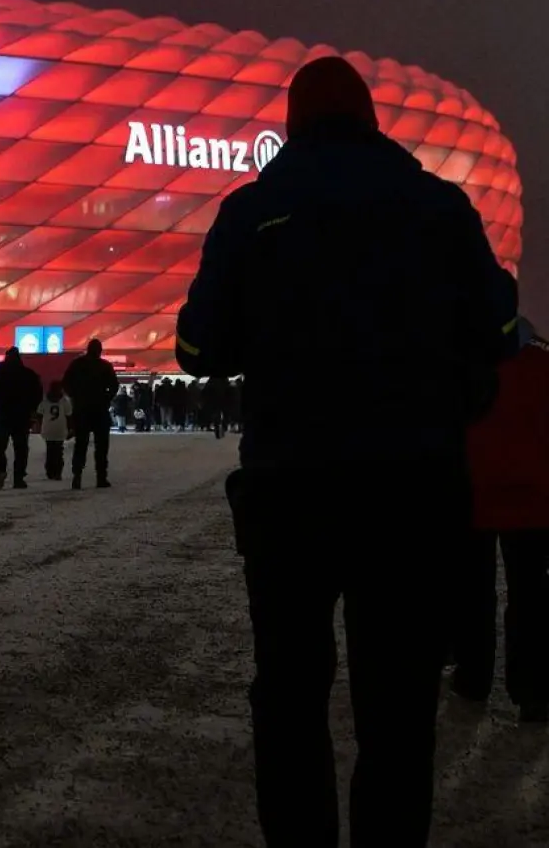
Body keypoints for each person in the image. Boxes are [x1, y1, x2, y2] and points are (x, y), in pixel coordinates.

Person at [176, 55, 519, 846]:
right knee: (397, 706)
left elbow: (196, 347)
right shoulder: (439, 208)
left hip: (289, 490)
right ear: (372, 121)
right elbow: (500, 331)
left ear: (291, 127)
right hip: (412, 489)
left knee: (290, 698)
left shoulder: (252, 211)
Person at [453, 317, 549, 724]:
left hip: (474, 494)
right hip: (533, 501)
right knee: (530, 597)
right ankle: (534, 692)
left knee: (475, 592)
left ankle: (473, 678)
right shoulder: (543, 368)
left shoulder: (465, 371)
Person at [0, 347, 43, 490]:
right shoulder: (28, 374)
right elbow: (37, 393)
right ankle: (18, 478)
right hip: (21, 417)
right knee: (21, 448)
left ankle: (0, 470)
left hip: (0, 416)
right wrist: (31, 409)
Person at [62, 339, 117, 489]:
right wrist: (106, 398)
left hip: (82, 409)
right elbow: (114, 386)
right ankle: (101, 477)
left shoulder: (77, 364)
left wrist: (75, 397)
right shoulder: (105, 366)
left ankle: (77, 475)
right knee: (101, 446)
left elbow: (65, 383)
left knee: (81, 444)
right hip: (99, 410)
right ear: (99, 350)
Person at [37, 381, 72, 481]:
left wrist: (39, 426)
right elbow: (69, 416)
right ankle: (57, 472)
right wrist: (70, 429)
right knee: (58, 451)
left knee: (50, 451)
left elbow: (39, 414)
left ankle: (50, 471)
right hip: (60, 428)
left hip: (48, 428)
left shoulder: (45, 400)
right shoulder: (64, 401)